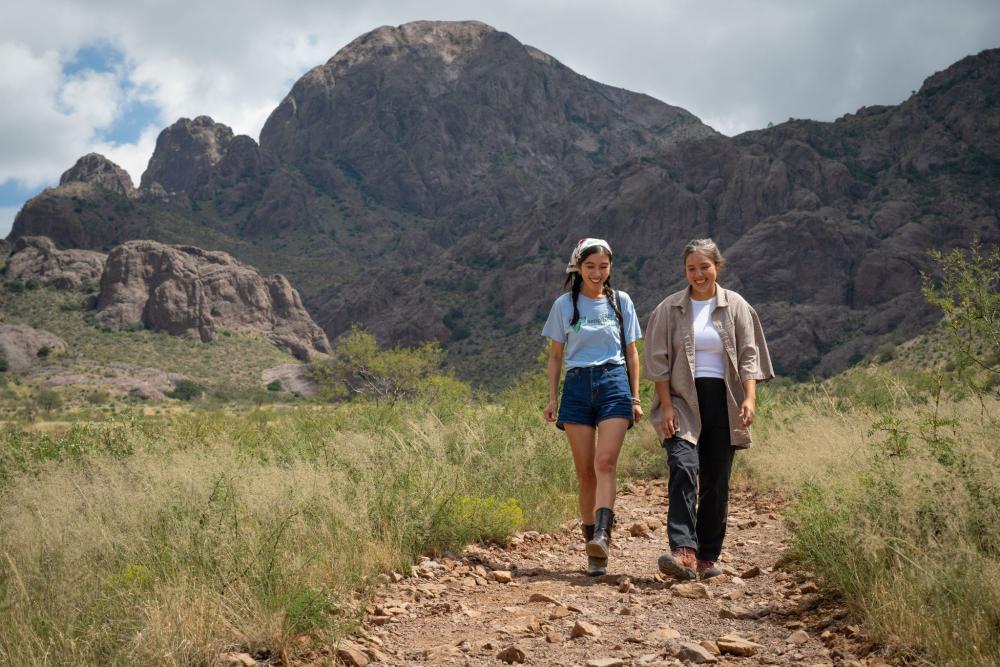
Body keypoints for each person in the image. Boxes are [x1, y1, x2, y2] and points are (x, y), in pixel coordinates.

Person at [643, 239, 773, 580]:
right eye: (691, 268)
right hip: (683, 399)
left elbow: (749, 355)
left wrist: (750, 398)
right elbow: (658, 362)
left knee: (716, 480)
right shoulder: (669, 309)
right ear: (684, 271)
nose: (698, 274)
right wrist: (667, 406)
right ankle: (683, 550)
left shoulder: (736, 306)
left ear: (718, 266)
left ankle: (707, 557)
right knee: (683, 465)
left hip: (724, 399)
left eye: (705, 267)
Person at [542, 237, 643, 577]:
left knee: (605, 462)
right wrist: (553, 398)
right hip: (577, 386)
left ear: (610, 268)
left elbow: (632, 353)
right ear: (578, 268)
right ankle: (592, 549)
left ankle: (603, 535)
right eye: (590, 267)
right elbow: (556, 356)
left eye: (603, 266)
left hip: (614, 382)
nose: (597, 273)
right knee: (585, 471)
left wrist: (635, 396)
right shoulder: (564, 306)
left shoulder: (621, 302)